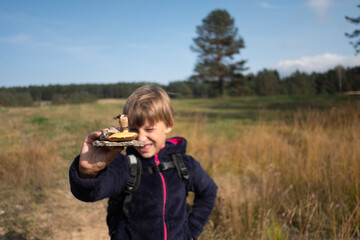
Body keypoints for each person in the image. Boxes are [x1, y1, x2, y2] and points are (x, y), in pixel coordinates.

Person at [69, 85, 218, 240]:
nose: (141, 138)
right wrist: (88, 171)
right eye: (134, 130)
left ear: (169, 125)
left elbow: (209, 191)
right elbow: (89, 194)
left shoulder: (185, 164)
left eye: (149, 129)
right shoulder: (124, 166)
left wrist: (192, 231)